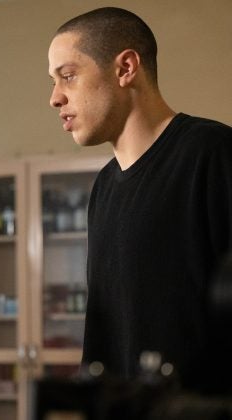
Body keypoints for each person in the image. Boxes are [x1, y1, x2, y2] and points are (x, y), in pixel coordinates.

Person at [48, 7, 232, 389]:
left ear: (126, 68)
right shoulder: (103, 188)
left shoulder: (213, 154)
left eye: (68, 76)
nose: (54, 98)